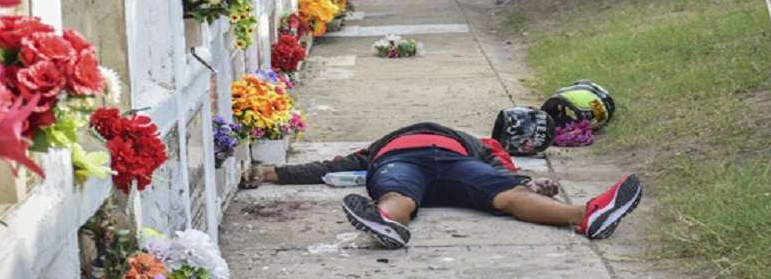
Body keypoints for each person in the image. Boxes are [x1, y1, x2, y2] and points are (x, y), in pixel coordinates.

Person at [241, 107, 643, 249]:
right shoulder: (385, 144)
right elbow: (327, 167)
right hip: (403, 163)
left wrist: (524, 180)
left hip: (454, 166)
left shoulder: (470, 142)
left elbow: (498, 164)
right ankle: (386, 224)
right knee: (399, 190)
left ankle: (586, 214)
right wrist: (269, 172)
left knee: (505, 193)